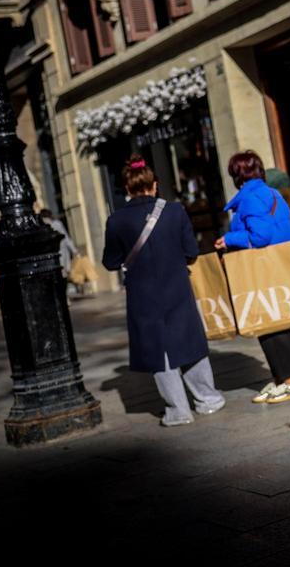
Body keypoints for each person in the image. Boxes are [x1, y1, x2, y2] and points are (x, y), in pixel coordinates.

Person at [102, 155, 225, 426]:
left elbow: (110, 262)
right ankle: (208, 400)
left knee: (159, 351)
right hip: (177, 287)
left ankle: (178, 411)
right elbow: (191, 252)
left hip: (142, 294)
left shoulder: (116, 221)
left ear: (127, 187)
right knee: (189, 341)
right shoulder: (175, 211)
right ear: (154, 185)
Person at [214, 150, 290, 404]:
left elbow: (260, 236)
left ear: (237, 175)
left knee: (273, 326)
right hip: (280, 266)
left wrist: (229, 239)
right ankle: (282, 379)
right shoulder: (272, 193)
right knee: (273, 323)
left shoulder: (250, 198)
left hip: (266, 270)